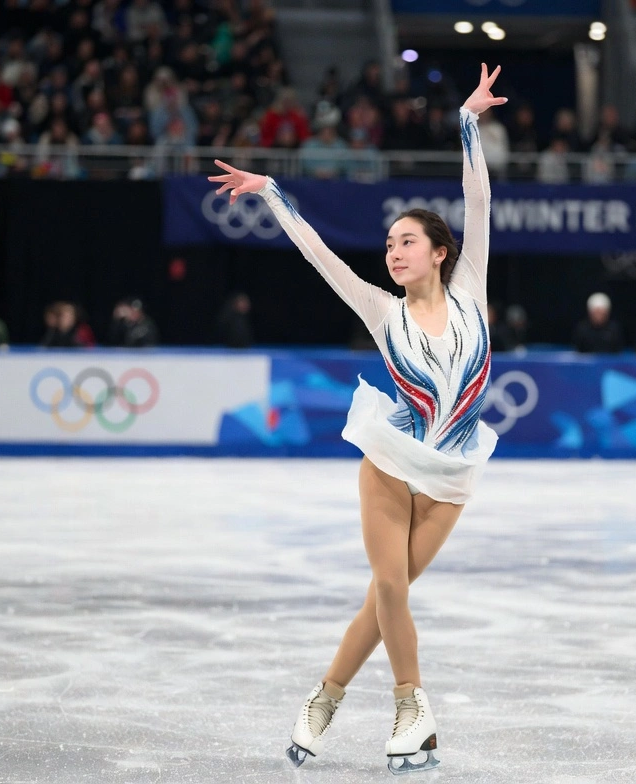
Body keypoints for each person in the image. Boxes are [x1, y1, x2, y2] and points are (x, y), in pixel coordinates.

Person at [209, 62, 507, 775]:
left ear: (439, 252)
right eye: (388, 246)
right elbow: (316, 253)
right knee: (393, 588)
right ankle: (413, 709)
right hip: (390, 459)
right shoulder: (381, 310)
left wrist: (467, 122)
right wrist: (273, 194)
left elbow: (478, 198)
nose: (392, 253)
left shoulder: (471, 290)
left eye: (407, 242)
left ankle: (325, 696)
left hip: (451, 475)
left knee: (384, 599)